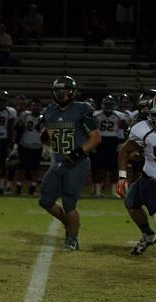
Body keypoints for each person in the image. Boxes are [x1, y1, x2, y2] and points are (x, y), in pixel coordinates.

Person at [39, 76, 102, 251]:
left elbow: (96, 137)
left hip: (77, 163)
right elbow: (47, 136)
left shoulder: (82, 109)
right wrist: (44, 137)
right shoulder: (51, 110)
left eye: (66, 91)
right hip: (58, 161)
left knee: (69, 203)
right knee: (45, 200)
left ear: (73, 92)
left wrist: (76, 154)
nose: (63, 94)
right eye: (60, 91)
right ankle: (70, 224)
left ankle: (72, 239)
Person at [116, 97, 156, 255]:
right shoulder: (142, 128)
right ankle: (148, 234)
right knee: (131, 203)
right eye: (155, 115)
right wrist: (122, 176)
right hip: (148, 178)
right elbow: (125, 150)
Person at [93, 95, 127, 197]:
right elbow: (92, 130)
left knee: (114, 168)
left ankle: (114, 191)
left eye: (110, 104)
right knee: (99, 167)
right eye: (106, 104)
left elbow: (121, 130)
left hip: (113, 141)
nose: (108, 106)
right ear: (102, 104)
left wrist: (121, 143)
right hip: (100, 141)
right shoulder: (96, 115)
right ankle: (98, 191)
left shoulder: (119, 116)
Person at [14, 98, 45, 196]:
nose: (35, 107)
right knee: (22, 167)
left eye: (37, 105)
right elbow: (17, 128)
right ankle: (19, 187)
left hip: (37, 145)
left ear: (40, 107)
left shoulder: (43, 116)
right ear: (30, 106)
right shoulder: (25, 115)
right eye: (33, 105)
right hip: (25, 145)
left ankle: (32, 187)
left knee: (35, 168)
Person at [0, 91, 18, 195]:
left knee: (4, 164)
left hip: (4, 139)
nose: (1, 102)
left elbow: (10, 128)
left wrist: (10, 143)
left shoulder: (10, 111)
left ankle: (1, 187)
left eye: (3, 100)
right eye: (0, 100)